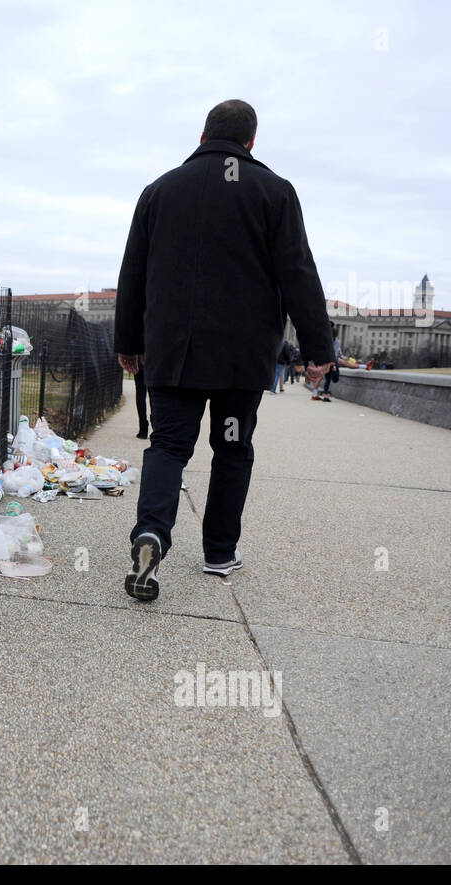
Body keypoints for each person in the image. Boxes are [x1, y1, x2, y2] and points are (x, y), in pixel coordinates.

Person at [114, 99, 334, 602]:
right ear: (251, 142)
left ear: (201, 135)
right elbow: (297, 271)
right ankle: (218, 551)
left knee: (168, 447)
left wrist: (128, 343)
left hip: (174, 352)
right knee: (232, 449)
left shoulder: (159, 191)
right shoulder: (275, 192)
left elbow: (133, 273)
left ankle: (151, 535)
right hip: (242, 356)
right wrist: (317, 348)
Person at [133, 366, 149, 439]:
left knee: (140, 393)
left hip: (139, 361)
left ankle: (143, 429)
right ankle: (156, 425)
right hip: (155, 360)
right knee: (154, 393)